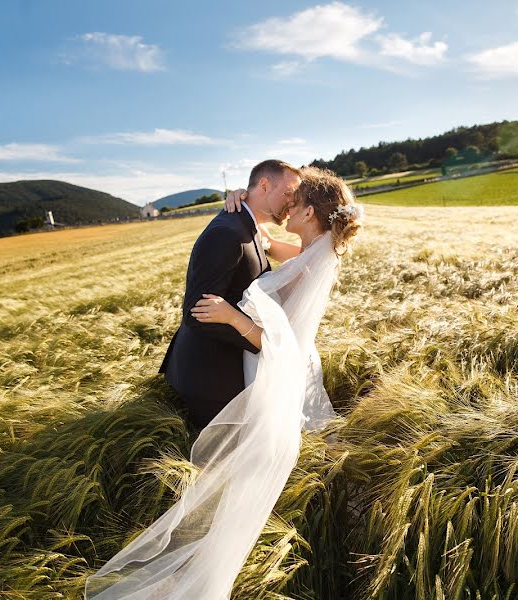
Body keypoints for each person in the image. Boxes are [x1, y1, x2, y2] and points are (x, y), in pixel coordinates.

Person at [84, 166, 364, 599]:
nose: (289, 204)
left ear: (309, 211)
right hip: (252, 371)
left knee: (229, 492)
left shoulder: (314, 261)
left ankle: (202, 575)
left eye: (296, 199)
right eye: (284, 194)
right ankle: (200, 560)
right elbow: (261, 240)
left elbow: (284, 342)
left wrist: (235, 317)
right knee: (227, 489)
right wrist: (239, 200)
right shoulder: (310, 248)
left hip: (268, 371)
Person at [158, 159, 301, 430]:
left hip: (230, 367)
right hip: (210, 379)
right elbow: (196, 314)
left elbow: (303, 258)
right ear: (264, 185)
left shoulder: (251, 225)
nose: (292, 202)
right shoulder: (227, 233)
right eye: (288, 192)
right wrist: (259, 339)